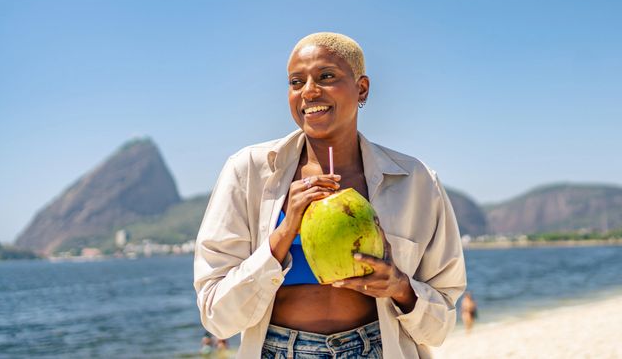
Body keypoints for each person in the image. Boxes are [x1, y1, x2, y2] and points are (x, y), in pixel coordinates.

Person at [193, 32, 467, 359]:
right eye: (296, 82)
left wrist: (400, 287)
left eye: (326, 76)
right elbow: (215, 316)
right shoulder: (248, 171)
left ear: (362, 87)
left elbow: (441, 325)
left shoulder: (415, 181)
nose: (309, 91)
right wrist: (283, 234)